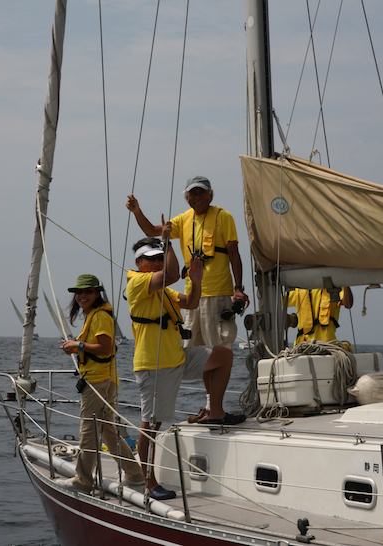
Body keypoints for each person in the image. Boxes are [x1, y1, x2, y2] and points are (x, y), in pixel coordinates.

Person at [127, 229, 245, 501]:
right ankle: (149, 483)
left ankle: (216, 412)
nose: (157, 262)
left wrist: (197, 281)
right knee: (151, 426)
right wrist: (168, 242)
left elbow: (191, 303)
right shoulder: (137, 283)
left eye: (160, 257)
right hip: (155, 367)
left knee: (223, 356)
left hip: (178, 358)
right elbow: (171, 274)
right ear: (138, 263)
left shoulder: (165, 292)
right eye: (151, 258)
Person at [126, 175, 248, 423]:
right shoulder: (183, 219)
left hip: (218, 295)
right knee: (202, 354)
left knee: (220, 352)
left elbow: (234, 253)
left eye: (201, 192)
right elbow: (152, 231)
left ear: (210, 195)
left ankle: (215, 410)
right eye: (192, 193)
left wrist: (238, 288)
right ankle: (209, 407)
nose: (197, 197)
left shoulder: (223, 216)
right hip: (194, 296)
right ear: (187, 197)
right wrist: (137, 211)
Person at [56, 274, 145, 494]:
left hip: (98, 382)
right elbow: (97, 347)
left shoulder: (100, 317)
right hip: (105, 380)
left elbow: (105, 348)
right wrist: (76, 346)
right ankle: (134, 475)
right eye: (79, 292)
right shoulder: (95, 314)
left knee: (89, 432)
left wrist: (78, 344)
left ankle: (83, 482)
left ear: (97, 293)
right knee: (108, 431)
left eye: (88, 291)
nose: (82, 296)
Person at [288, 287, 354, 344]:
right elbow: (282, 300)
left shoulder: (335, 289)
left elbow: (348, 304)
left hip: (327, 345)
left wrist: (345, 283)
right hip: (302, 345)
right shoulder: (299, 291)